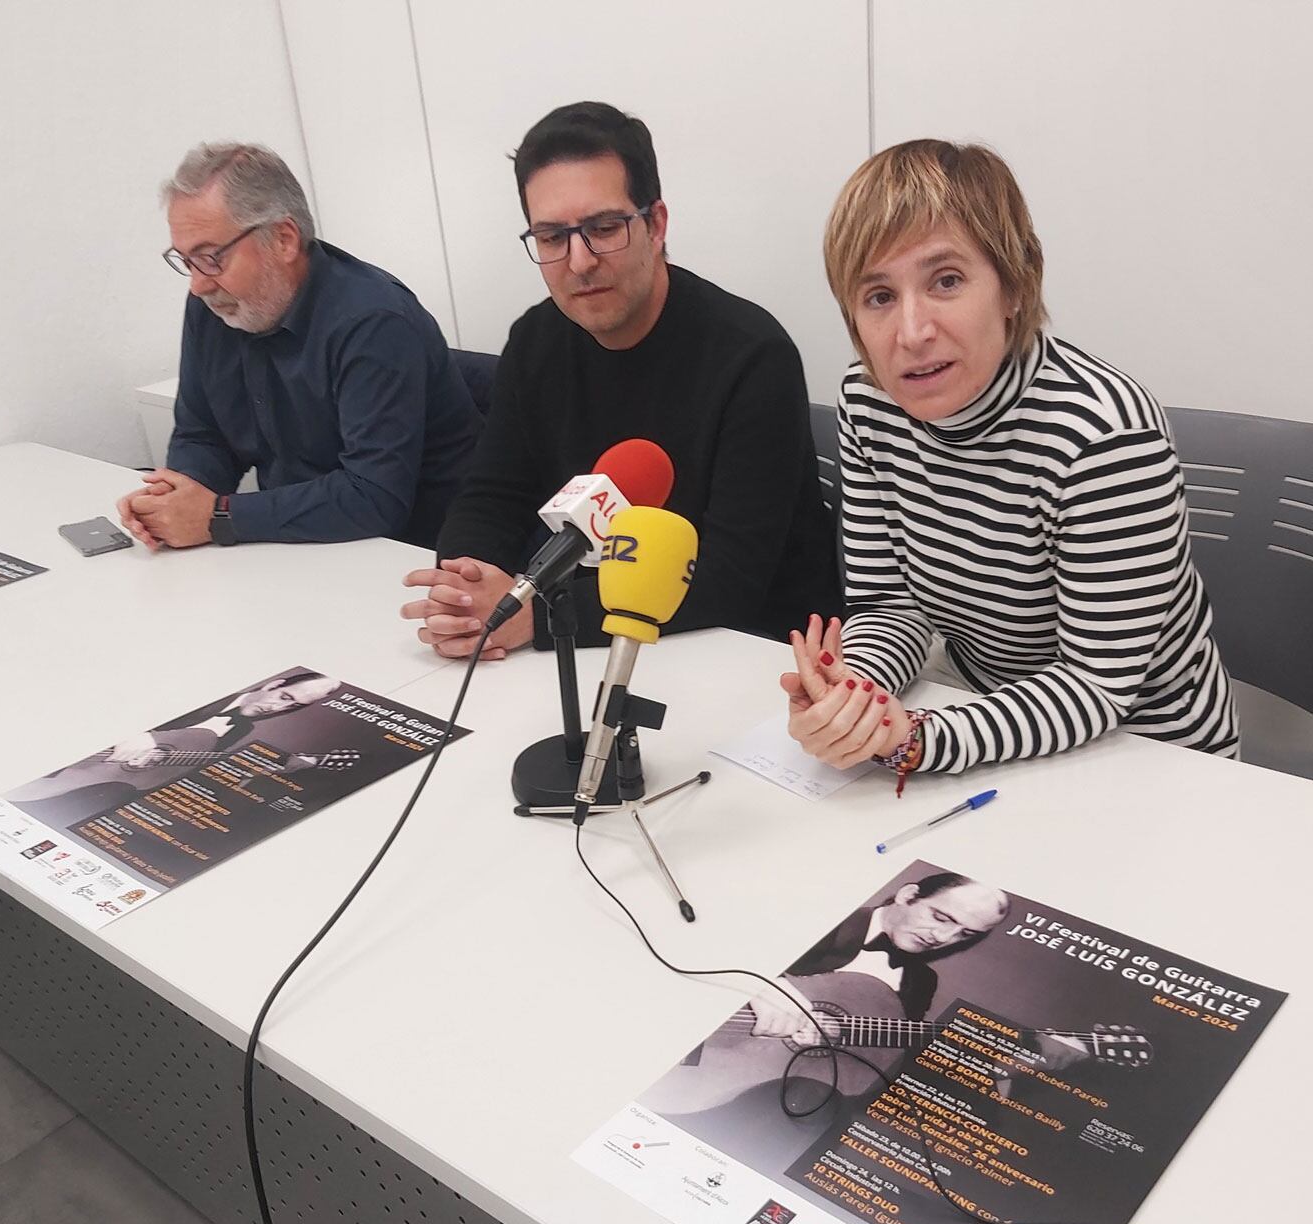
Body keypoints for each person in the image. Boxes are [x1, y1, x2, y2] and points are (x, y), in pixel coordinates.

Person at [783, 141, 1238, 782]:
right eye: (879, 296)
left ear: (1014, 287)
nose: (912, 332)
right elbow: (891, 604)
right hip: (990, 719)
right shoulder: (869, 403)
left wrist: (917, 740)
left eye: (946, 281)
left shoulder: (1103, 435)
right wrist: (854, 698)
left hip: (1149, 751)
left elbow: (1096, 685)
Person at [400, 101, 840, 660]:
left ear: (655, 225)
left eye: (603, 229)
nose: (579, 261)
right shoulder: (535, 340)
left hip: (751, 649)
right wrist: (465, 592)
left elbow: (731, 579)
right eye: (552, 238)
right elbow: (493, 496)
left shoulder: (753, 355)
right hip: (602, 638)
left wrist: (538, 615)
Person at [118, 144, 480, 550]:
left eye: (210, 258)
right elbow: (203, 434)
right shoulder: (213, 306)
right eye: (186, 261)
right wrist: (176, 498)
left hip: (409, 553)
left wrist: (217, 516)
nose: (198, 284)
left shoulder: (373, 321)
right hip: (293, 543)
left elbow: (374, 496)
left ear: (284, 240)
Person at [7, 672, 342, 826]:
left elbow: (181, 763)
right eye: (284, 697)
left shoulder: (243, 729)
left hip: (101, 788)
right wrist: (143, 733)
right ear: (274, 683)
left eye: (292, 707)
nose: (277, 707)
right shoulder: (209, 679)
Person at [747, 870, 1011, 1035]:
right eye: (941, 917)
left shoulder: (922, 983)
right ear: (908, 896)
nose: (943, 938)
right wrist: (758, 985)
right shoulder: (824, 916)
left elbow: (885, 1059)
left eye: (965, 934)